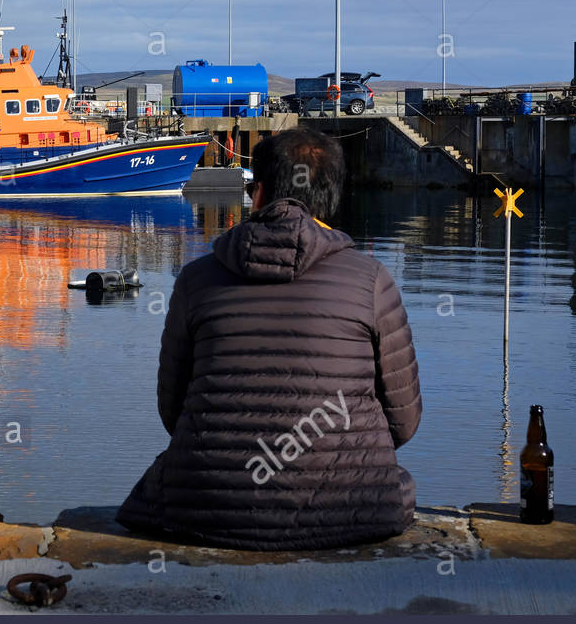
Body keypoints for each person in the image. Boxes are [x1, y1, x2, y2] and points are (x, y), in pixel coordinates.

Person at [117, 128, 421, 550]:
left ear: (257, 194)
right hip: (352, 509)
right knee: (397, 484)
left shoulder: (196, 280)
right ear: (333, 197)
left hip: (206, 506)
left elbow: (173, 413)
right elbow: (403, 423)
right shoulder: (372, 281)